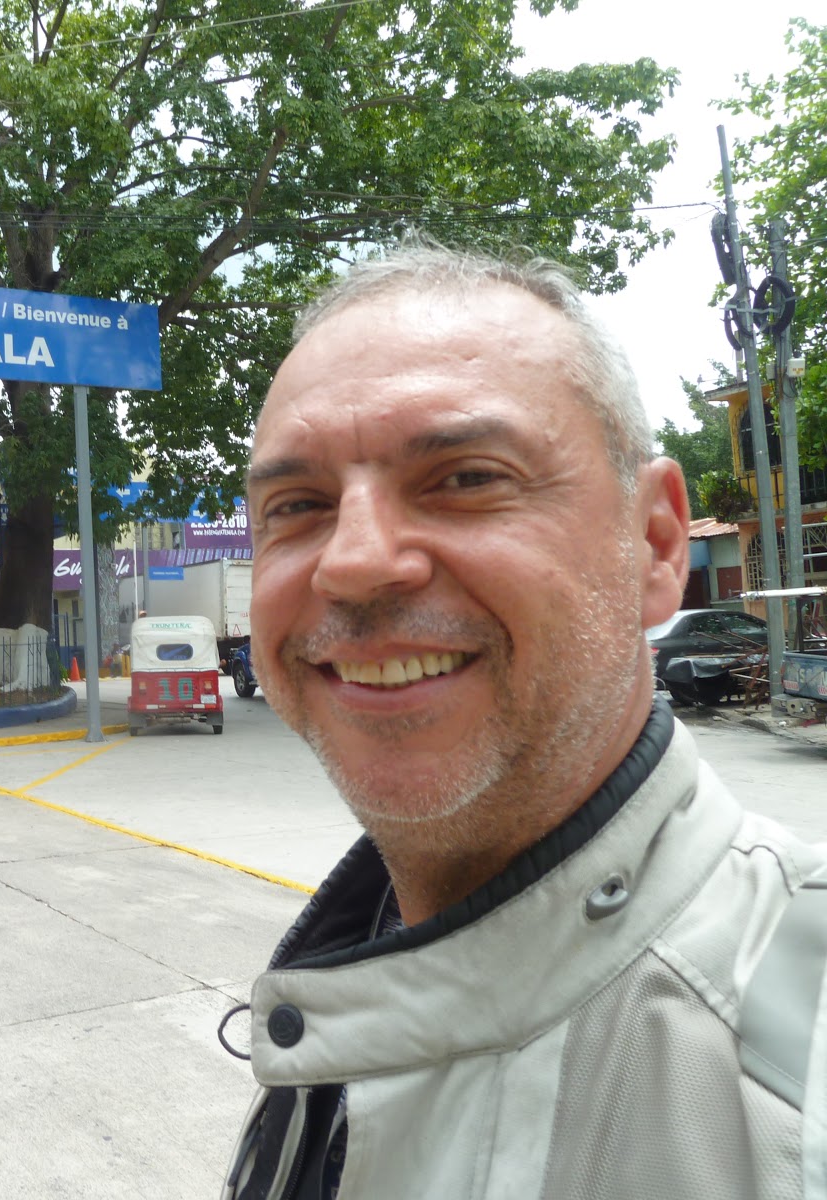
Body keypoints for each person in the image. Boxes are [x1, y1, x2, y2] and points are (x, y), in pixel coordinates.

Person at [221, 243, 825, 1198]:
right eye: (298, 505)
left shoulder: (797, 1070)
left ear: (656, 543)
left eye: (466, 478)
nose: (355, 561)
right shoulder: (349, 967)